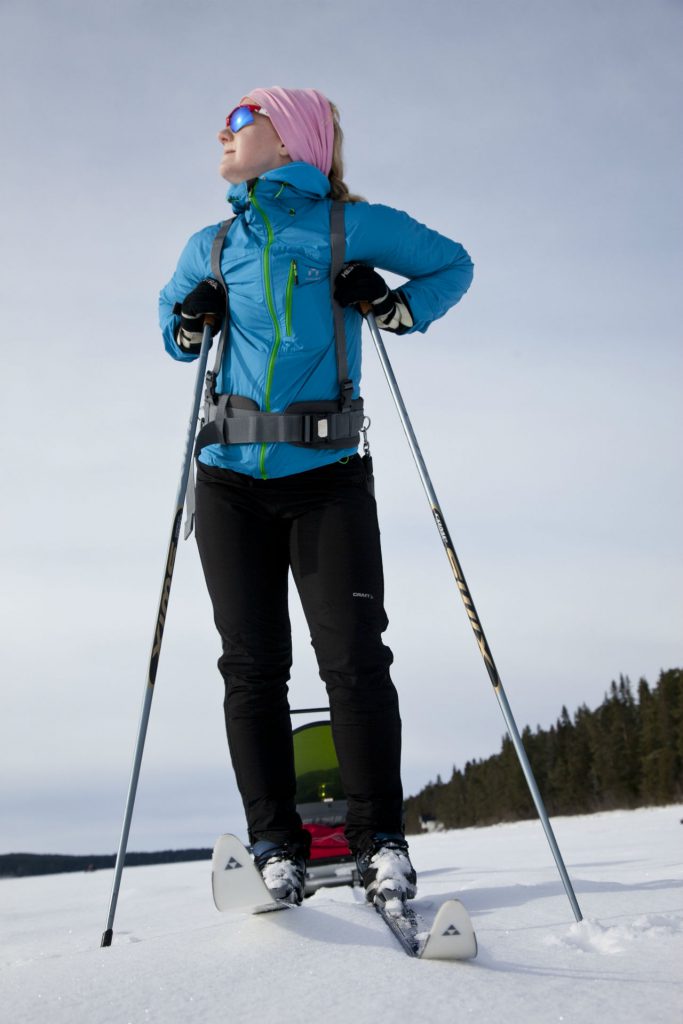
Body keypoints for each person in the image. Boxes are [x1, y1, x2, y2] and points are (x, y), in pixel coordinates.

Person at [159, 87, 473, 907]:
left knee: (355, 660)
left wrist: (395, 306)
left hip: (328, 478)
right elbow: (169, 323)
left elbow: (453, 263)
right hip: (228, 481)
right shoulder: (214, 241)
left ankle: (380, 841)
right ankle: (275, 845)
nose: (222, 134)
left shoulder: (347, 227)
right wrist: (189, 322)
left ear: (289, 137)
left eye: (239, 121)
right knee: (251, 668)